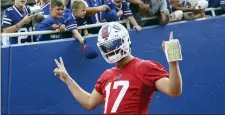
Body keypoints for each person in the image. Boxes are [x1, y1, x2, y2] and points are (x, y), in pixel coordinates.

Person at [54, 22, 182, 114]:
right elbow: (89, 102)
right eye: (106, 48)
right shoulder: (107, 74)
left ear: (124, 41)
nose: (110, 50)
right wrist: (68, 80)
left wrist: (173, 63)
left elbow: (174, 91)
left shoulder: (145, 67)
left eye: (113, 45)